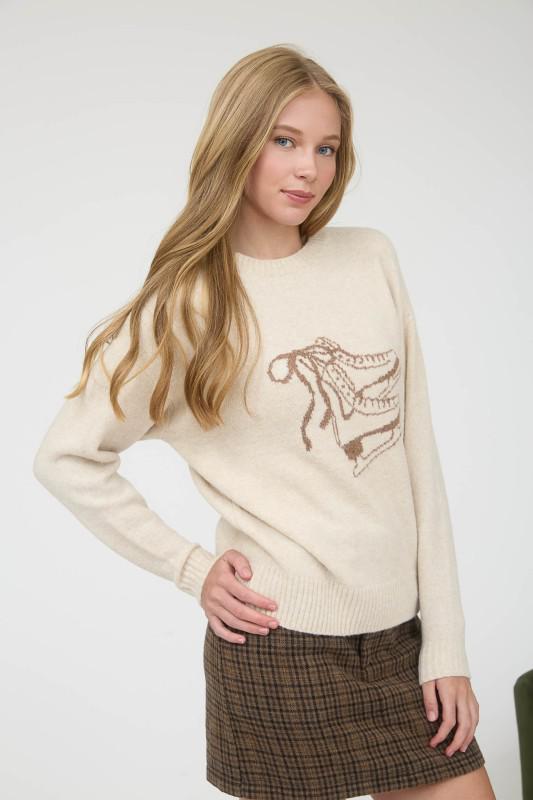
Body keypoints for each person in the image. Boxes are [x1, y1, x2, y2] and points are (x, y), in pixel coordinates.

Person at [33, 44, 496, 800]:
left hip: (399, 641)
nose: (308, 168)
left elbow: (418, 457)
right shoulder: (186, 306)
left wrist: (444, 642)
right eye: (284, 141)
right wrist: (190, 568)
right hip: (279, 647)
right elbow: (66, 456)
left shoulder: (369, 259)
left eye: (326, 148)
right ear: (238, 141)